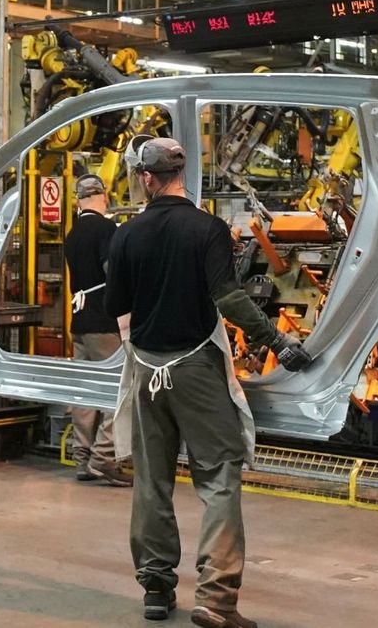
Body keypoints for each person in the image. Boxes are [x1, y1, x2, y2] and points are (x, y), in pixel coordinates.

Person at [105, 135, 312, 628]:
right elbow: (229, 298)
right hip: (196, 369)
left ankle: (156, 589)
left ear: (146, 178)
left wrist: (146, 344)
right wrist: (277, 342)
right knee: (218, 480)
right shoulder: (209, 229)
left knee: (152, 481)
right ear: (180, 175)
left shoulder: (126, 235)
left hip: (146, 372)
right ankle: (216, 600)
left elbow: (118, 309)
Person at [64, 173, 132, 487]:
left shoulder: (73, 233)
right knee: (116, 390)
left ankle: (82, 457)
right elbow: (113, 272)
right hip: (104, 321)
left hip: (79, 322)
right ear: (102, 196)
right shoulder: (106, 228)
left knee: (84, 392)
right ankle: (104, 458)